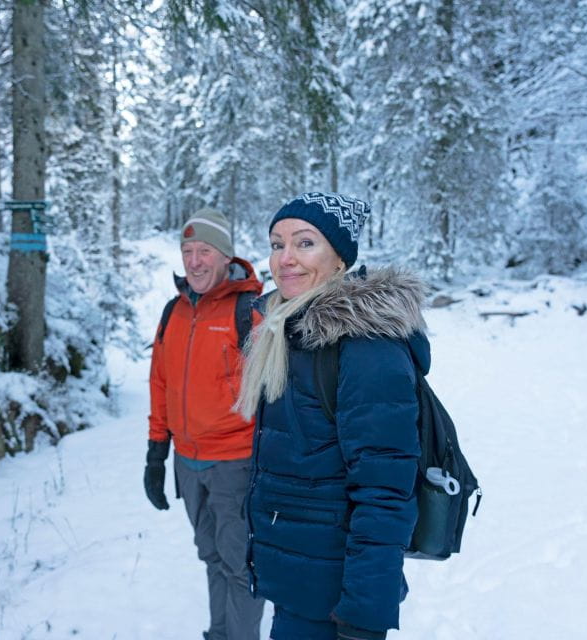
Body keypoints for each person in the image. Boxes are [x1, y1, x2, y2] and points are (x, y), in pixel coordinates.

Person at [234, 193, 428, 640]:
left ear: (340, 258)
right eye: (277, 244)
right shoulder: (288, 332)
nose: (285, 258)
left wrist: (364, 617)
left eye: (305, 243)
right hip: (299, 585)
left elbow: (385, 492)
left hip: (335, 604)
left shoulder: (366, 347)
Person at [145, 207, 265, 640]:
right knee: (211, 557)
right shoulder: (173, 312)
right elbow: (160, 383)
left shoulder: (249, 312)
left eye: (205, 251)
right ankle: (219, 633)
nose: (194, 262)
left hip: (235, 463)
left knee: (241, 566)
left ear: (225, 256)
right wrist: (156, 455)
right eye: (187, 251)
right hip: (188, 463)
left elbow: (273, 393)